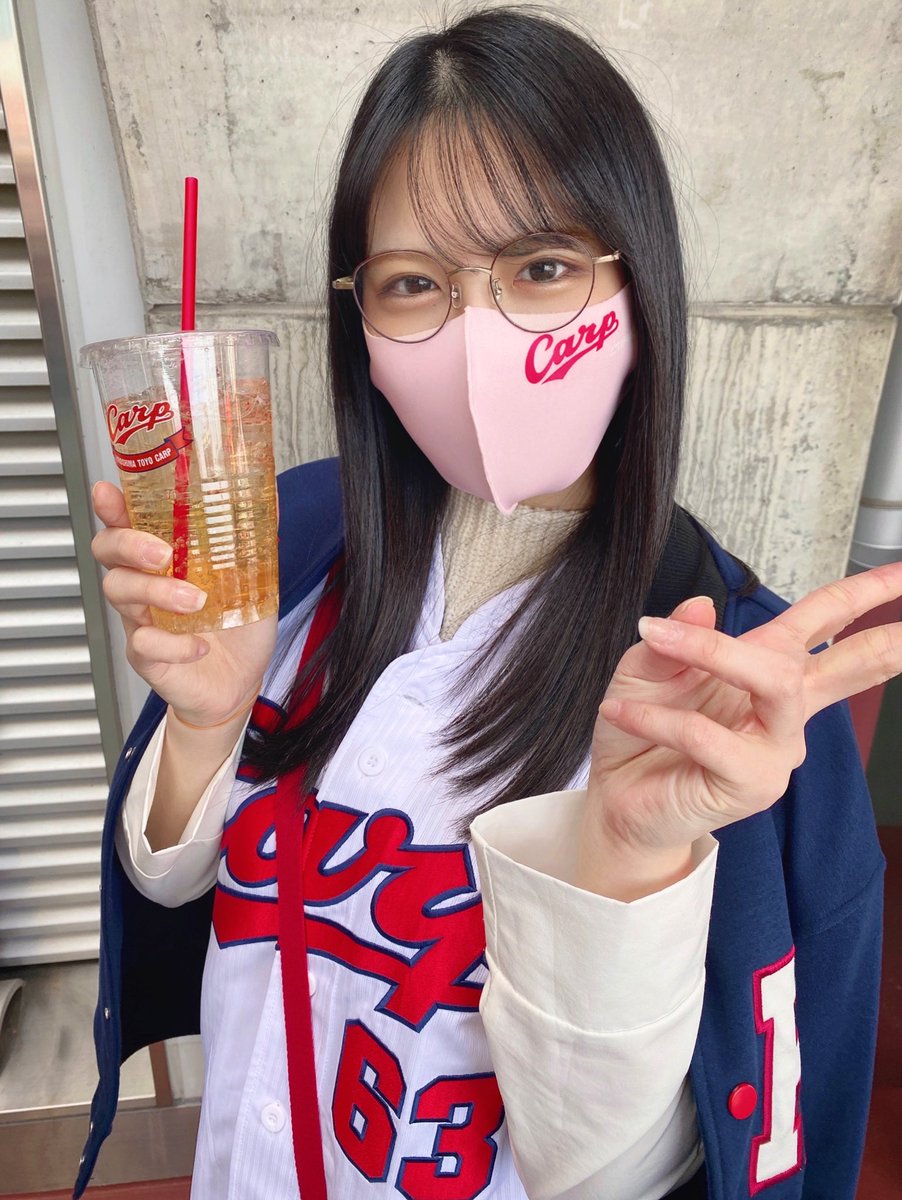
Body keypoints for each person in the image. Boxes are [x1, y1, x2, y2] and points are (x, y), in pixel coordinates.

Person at [75, 7, 901, 1200]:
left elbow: (623, 1174)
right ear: (361, 319)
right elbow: (176, 890)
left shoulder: (718, 696)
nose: (478, 338)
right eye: (415, 283)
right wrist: (204, 729)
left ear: (637, 285)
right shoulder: (283, 551)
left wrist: (626, 859)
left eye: (541, 268)